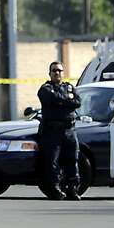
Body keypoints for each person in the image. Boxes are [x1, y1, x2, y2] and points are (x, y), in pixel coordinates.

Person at [36, 61, 81, 201]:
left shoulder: (69, 87)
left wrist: (61, 101)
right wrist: (67, 100)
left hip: (69, 130)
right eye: (54, 70)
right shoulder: (45, 89)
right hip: (52, 131)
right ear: (49, 73)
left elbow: (78, 102)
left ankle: (72, 189)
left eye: (60, 70)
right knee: (52, 161)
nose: (57, 73)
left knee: (72, 159)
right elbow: (51, 98)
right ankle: (55, 189)